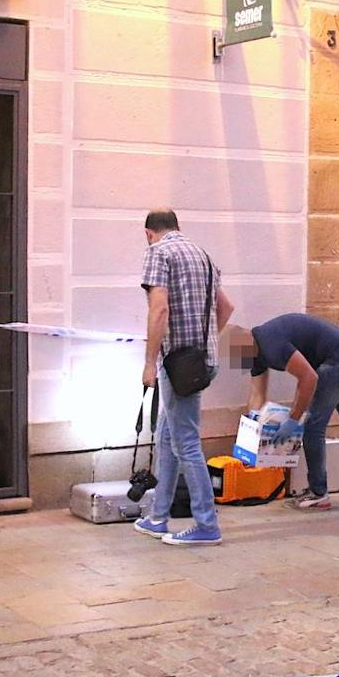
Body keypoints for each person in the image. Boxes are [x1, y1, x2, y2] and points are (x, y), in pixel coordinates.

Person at [133, 209, 234, 547]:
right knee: (168, 435)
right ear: (177, 227)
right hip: (202, 361)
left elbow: (158, 309)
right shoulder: (202, 255)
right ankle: (158, 517)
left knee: (186, 441)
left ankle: (206, 524)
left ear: (149, 233)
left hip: (177, 363)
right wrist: (207, 340)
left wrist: (149, 362)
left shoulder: (158, 253)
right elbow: (226, 308)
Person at [231, 314, 339, 510]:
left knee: (312, 427)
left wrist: (293, 420)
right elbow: (257, 395)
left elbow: (309, 378)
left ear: (247, 339)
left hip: (338, 360)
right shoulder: (254, 352)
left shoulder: (271, 343)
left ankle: (318, 493)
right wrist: (250, 433)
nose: (240, 359)